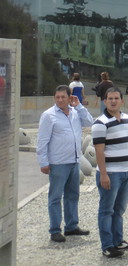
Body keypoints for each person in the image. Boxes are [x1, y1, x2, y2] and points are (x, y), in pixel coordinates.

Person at [37, 85, 95, 242]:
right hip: (58, 163)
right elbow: (42, 141)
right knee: (55, 197)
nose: (60, 100)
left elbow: (90, 122)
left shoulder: (75, 112)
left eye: (63, 97)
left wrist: (80, 105)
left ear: (70, 98)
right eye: (57, 97)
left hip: (74, 162)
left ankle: (71, 226)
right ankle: (55, 230)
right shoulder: (48, 115)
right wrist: (43, 162)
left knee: (73, 195)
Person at [92, 87, 128, 258]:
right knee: (106, 210)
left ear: (122, 101)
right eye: (110, 98)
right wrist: (104, 174)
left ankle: (118, 240)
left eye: (116, 98)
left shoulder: (127, 119)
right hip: (110, 174)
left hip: (125, 172)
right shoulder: (100, 123)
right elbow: (99, 151)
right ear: (104, 101)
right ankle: (107, 245)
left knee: (119, 209)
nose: (113, 101)